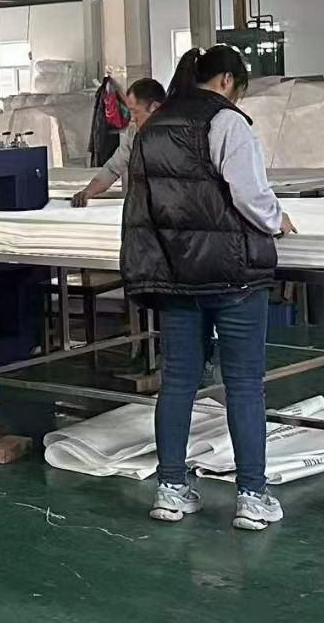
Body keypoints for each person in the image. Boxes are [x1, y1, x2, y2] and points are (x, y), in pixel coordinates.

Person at [121, 46, 295, 531]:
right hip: (232, 272)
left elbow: (141, 204)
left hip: (175, 274)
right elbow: (250, 194)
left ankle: (170, 489)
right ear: (226, 81)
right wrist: (277, 221)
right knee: (244, 384)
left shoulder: (151, 127)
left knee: (178, 381)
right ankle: (252, 497)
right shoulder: (226, 122)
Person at [72, 78, 165, 206]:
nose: (132, 118)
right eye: (130, 111)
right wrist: (87, 192)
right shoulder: (133, 133)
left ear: (155, 108)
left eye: (135, 111)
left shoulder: (176, 137)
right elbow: (112, 169)